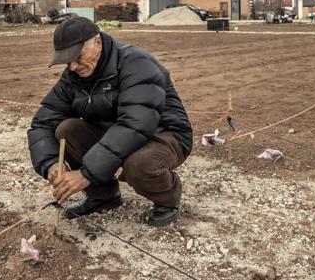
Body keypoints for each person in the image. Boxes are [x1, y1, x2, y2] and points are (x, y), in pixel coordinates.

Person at [28, 16, 192, 226]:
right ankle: (103, 196)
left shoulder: (137, 63)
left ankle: (168, 199)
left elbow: (135, 124)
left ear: (97, 43)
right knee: (66, 130)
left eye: (77, 56)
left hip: (164, 133)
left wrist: (86, 174)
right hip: (115, 132)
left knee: (139, 164)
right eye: (66, 60)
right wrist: (50, 164)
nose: (72, 66)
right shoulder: (73, 76)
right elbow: (43, 121)